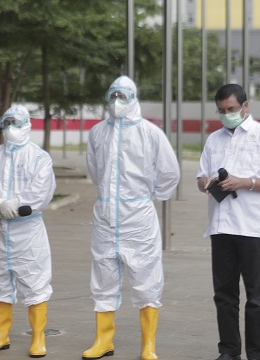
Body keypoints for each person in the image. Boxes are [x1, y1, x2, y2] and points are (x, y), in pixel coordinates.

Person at [83, 75, 180, 360]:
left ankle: (148, 345)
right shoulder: (98, 132)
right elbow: (95, 168)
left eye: (122, 97)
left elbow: (169, 172)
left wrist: (149, 195)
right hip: (105, 215)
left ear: (133, 98)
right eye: (112, 96)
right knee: (102, 277)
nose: (116, 102)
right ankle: (103, 341)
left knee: (146, 277)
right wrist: (108, 195)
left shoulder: (149, 133)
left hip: (138, 216)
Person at [196, 83, 260, 360]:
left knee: (256, 297)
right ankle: (229, 351)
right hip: (221, 226)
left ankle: (257, 353)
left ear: (245, 106)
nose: (226, 114)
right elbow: (201, 177)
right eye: (221, 111)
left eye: (231, 109)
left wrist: (244, 182)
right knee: (223, 295)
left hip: (254, 227)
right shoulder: (214, 139)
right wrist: (206, 183)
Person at [0, 105, 56, 358]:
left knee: (35, 280)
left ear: (28, 125)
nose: (11, 129)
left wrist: (15, 204)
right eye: (6, 123)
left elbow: (41, 194)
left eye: (16, 123)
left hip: (28, 231)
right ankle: (0, 335)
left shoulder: (39, 158)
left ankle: (38, 336)